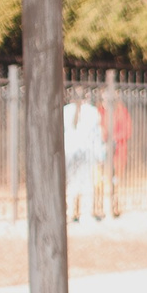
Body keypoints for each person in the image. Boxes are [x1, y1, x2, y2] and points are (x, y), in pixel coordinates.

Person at [62, 89, 106, 224]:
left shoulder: (65, 111)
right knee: (86, 182)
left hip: (69, 151)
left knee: (70, 182)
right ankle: (85, 213)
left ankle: (69, 212)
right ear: (86, 96)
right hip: (86, 152)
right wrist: (100, 155)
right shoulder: (92, 112)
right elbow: (97, 136)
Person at [103, 89, 133, 217]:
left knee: (117, 180)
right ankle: (105, 206)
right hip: (104, 150)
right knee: (104, 179)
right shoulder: (102, 111)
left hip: (119, 150)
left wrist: (115, 138)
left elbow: (127, 130)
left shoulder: (121, 111)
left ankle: (115, 206)